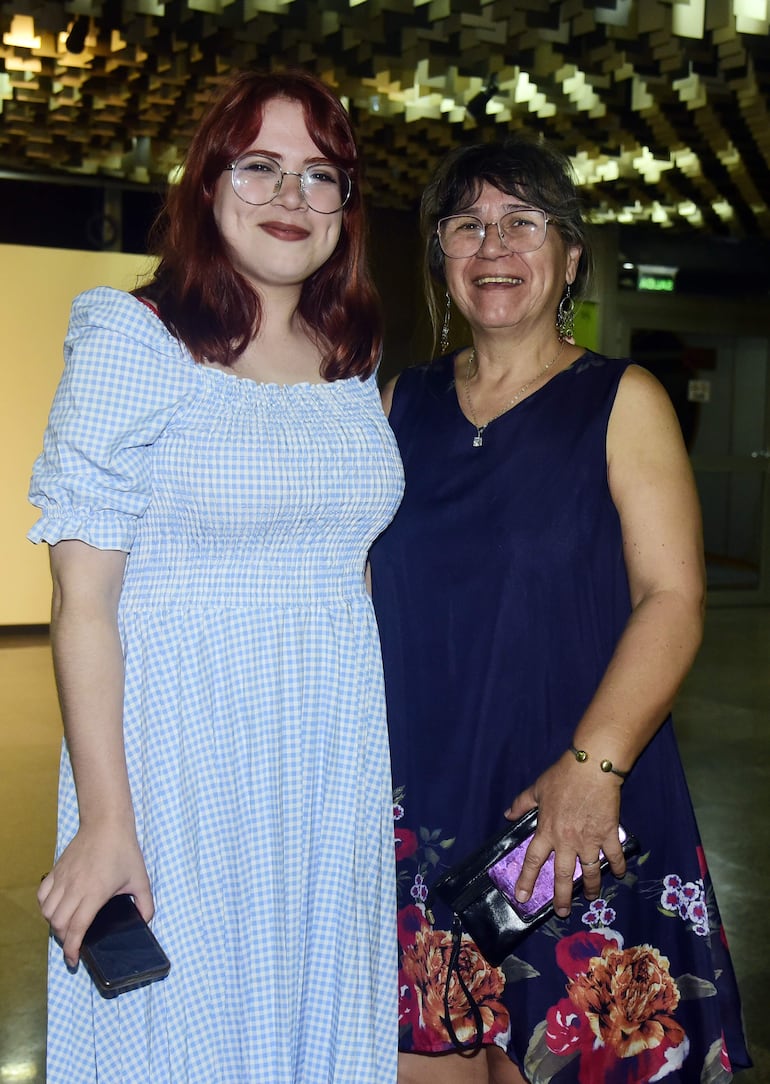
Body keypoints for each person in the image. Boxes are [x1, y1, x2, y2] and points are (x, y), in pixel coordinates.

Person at [29, 69, 403, 1084]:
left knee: (310, 1011)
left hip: (328, 761)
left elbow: (348, 567)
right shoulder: (134, 336)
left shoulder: (349, 356)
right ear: (206, 185)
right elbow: (84, 605)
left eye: (319, 176)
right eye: (260, 167)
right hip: (180, 757)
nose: (291, 197)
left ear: (344, 207)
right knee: (189, 1035)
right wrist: (106, 818)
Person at [369, 136, 751, 1084]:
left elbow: (674, 597)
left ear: (570, 255)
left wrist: (594, 766)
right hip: (425, 812)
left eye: (522, 222)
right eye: (467, 226)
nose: (493, 245)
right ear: (441, 260)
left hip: (581, 809)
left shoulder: (622, 401)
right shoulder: (395, 405)